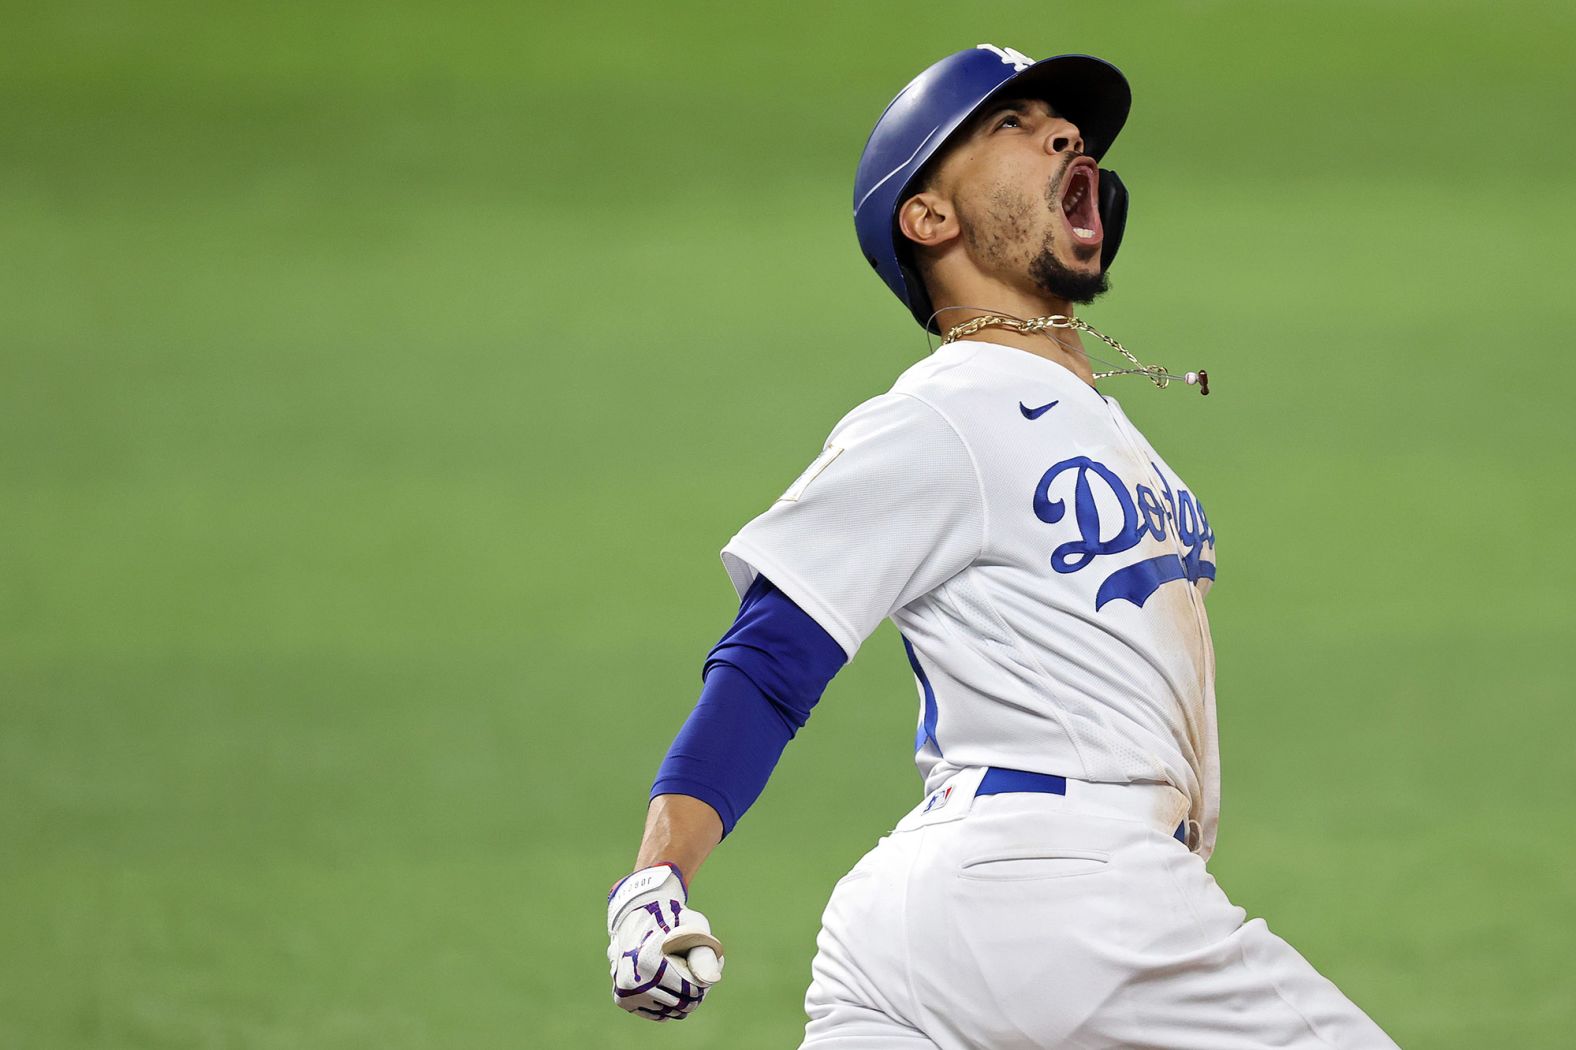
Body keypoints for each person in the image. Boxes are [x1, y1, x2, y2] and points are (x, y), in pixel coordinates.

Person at [605, 43, 1400, 1048]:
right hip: (1059, 888)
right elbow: (772, 659)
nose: (1064, 136)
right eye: (1009, 127)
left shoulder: (1101, 425)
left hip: (929, 921)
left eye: (1066, 129)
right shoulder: (945, 410)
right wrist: (656, 876)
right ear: (928, 217)